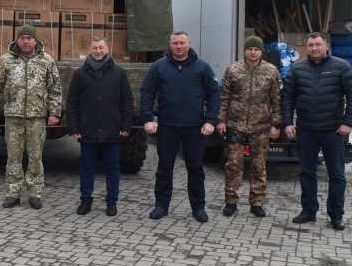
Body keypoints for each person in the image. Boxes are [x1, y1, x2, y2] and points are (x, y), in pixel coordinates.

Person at [282, 32, 352, 231]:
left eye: (318, 44)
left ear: (327, 46)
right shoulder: (297, 68)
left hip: (333, 130)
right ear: (307, 47)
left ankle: (336, 214)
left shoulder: (341, 66)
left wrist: (348, 122)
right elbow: (288, 98)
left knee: (337, 174)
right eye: (310, 45)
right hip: (306, 130)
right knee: (306, 172)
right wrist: (288, 123)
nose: (314, 48)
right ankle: (309, 210)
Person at [141, 31, 220, 223]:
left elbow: (214, 94)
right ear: (170, 44)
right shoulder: (159, 67)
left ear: (189, 43)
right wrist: (148, 119)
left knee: (195, 168)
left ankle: (198, 208)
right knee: (164, 167)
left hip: (194, 127)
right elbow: (147, 92)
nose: (178, 46)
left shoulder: (202, 67)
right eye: (175, 43)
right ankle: (161, 206)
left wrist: (211, 121)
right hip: (167, 126)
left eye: (182, 43)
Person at [0, 24, 62, 209]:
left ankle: (35, 193)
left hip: (37, 117)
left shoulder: (46, 60)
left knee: (36, 156)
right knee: (13, 156)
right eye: (22, 38)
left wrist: (54, 112)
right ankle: (13, 192)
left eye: (29, 38)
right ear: (17, 40)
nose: (26, 41)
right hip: (13, 116)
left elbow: (55, 88)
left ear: (35, 40)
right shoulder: (6, 60)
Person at [66, 36, 133, 217]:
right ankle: (86, 200)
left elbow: (127, 101)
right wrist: (74, 127)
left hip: (112, 128)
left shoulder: (119, 73)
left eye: (101, 47)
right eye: (94, 48)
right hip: (87, 129)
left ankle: (112, 201)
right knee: (87, 167)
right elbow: (71, 103)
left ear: (107, 49)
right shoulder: (80, 74)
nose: (98, 51)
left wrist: (126, 125)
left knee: (113, 167)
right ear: (89, 50)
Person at [216, 35, 282, 218]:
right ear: (244, 50)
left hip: (261, 126)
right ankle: (231, 201)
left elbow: (277, 100)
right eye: (250, 49)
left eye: (256, 49)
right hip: (236, 125)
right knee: (233, 164)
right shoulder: (233, 69)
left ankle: (257, 202)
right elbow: (224, 97)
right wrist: (221, 120)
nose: (253, 52)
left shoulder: (271, 71)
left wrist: (276, 125)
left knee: (259, 165)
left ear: (261, 51)